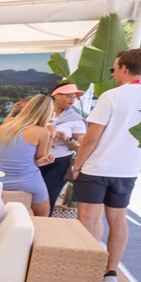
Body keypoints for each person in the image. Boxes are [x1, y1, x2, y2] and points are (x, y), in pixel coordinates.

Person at [72, 48, 141, 282]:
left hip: (97, 167)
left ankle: (87, 268)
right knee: (118, 219)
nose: (113, 73)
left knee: (88, 217)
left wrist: (77, 164)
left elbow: (90, 138)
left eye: (114, 68)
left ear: (124, 68)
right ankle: (110, 273)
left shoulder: (112, 96)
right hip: (127, 170)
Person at [0, 94, 55, 217]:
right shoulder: (42, 132)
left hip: (0, 179)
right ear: (47, 113)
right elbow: (40, 159)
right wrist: (51, 136)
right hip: (27, 180)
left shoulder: (4, 126)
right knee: (44, 214)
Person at [44, 83, 87, 214]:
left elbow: (81, 147)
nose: (72, 100)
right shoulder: (42, 112)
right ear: (56, 95)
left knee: (48, 198)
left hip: (59, 164)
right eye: (69, 96)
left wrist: (66, 140)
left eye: (74, 97)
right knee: (29, 197)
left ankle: (43, 228)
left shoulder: (77, 119)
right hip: (35, 160)